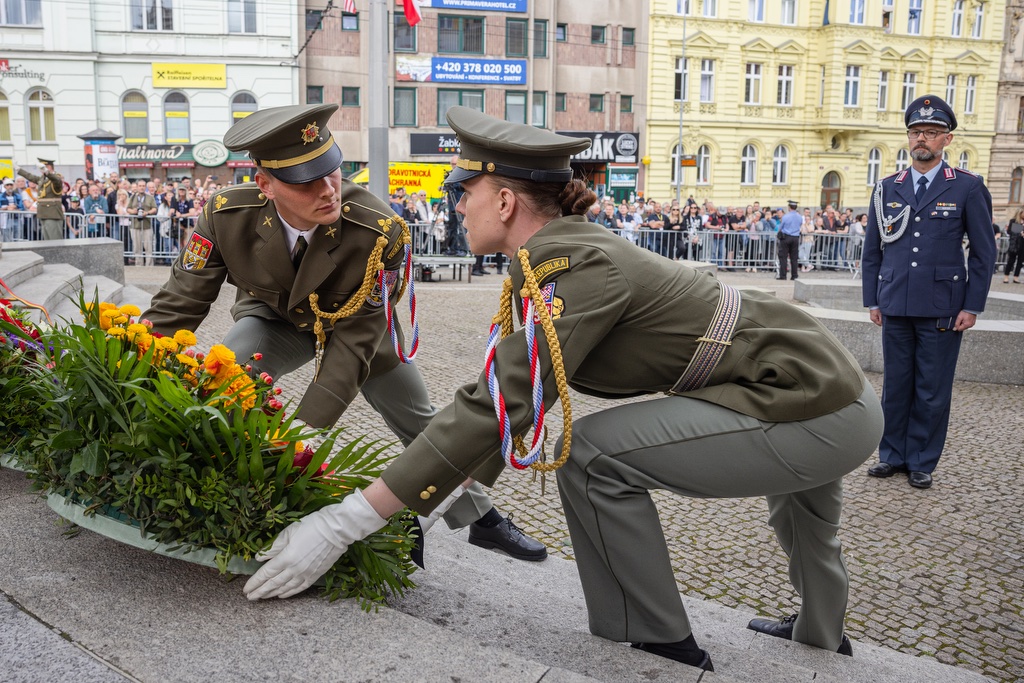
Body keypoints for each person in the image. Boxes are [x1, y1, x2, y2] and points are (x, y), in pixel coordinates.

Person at [243, 107, 885, 674]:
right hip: (816, 380)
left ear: (504, 203)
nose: (454, 202)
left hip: (812, 399)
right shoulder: (562, 253)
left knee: (593, 456)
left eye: (463, 188)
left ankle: (657, 646)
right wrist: (436, 494)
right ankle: (822, 639)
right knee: (803, 516)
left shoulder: (569, 265)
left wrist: (346, 521)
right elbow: (511, 401)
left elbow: (502, 399)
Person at [142, 103, 544, 562]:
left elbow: (353, 345)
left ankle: (482, 519)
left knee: (421, 421)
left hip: (358, 330)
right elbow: (179, 305)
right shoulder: (226, 215)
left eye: (330, 170)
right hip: (275, 319)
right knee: (225, 377)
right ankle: (214, 494)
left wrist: (302, 437)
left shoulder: (378, 232)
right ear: (266, 185)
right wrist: (129, 373)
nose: (328, 189)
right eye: (305, 180)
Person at [861, 94, 996, 490]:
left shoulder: (968, 187)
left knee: (932, 389)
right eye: (917, 132)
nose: (923, 139)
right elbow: (872, 250)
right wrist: (873, 299)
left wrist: (972, 306)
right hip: (896, 303)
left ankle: (921, 459)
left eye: (932, 133)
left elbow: (984, 255)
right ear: (908, 138)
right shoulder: (888, 187)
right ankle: (892, 455)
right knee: (896, 386)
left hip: (942, 306)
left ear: (947, 141)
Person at [17, 158, 64, 241]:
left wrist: (47, 172)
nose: (41, 170)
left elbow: (56, 180)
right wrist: (19, 169)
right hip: (43, 213)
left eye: (43, 167)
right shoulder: (43, 179)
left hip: (52, 214)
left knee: (55, 241)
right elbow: (31, 177)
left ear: (49, 167)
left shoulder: (56, 178)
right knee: (47, 241)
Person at [128, 179, 157, 266]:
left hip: (147, 225)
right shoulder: (132, 197)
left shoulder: (150, 197)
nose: (141, 187)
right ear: (137, 187)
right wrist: (133, 211)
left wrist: (147, 213)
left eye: (143, 186)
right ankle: (139, 265)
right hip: (135, 225)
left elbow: (155, 208)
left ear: (145, 187)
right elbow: (128, 208)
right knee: (137, 247)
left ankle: (149, 265)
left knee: (148, 247)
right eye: (140, 186)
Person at [776, 200, 802, 280]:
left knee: (783, 257)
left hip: (786, 237)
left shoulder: (786, 216)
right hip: (795, 238)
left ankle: (783, 275)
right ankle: (794, 275)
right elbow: (800, 225)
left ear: (789, 207)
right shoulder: (799, 217)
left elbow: (781, 227)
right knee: (794, 258)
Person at [1002, 206, 1024, 283]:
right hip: (1014, 244)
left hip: (1022, 245)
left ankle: (1016, 277)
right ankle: (1006, 277)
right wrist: (1020, 233)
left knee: (1020, 262)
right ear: (1020, 213)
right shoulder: (1013, 221)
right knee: (1011, 261)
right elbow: (1010, 232)